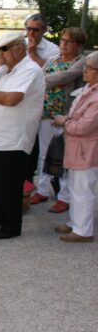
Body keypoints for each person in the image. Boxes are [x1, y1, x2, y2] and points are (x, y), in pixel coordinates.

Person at [0, 32, 45, 239]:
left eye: (4, 49)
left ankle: (12, 225)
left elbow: (11, 99)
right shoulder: (4, 70)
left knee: (10, 183)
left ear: (18, 48)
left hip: (15, 137)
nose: (0, 54)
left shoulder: (30, 70)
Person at [30, 27, 86, 213]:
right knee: (45, 153)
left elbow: (63, 77)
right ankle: (43, 189)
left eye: (69, 41)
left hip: (65, 115)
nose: (64, 44)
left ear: (78, 45)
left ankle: (64, 196)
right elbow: (41, 75)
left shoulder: (80, 62)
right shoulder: (53, 60)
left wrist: (41, 79)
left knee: (62, 155)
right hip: (46, 114)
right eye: (63, 40)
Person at [53, 51, 98, 242]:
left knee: (83, 190)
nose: (84, 71)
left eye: (89, 68)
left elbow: (84, 126)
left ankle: (83, 230)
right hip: (77, 148)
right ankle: (75, 222)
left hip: (86, 150)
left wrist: (65, 122)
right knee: (75, 187)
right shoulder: (89, 88)